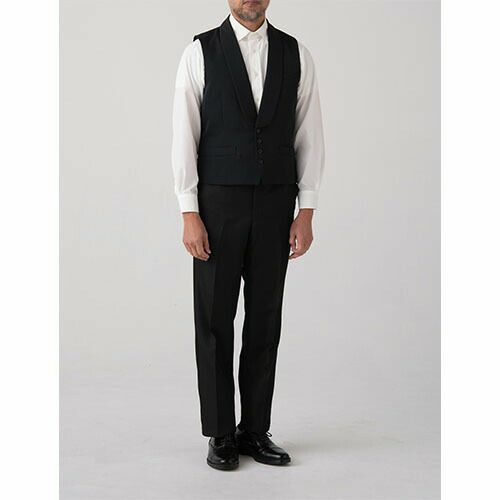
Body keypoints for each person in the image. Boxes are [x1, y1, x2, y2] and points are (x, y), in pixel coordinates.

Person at [172, 0, 325, 470]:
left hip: (276, 205)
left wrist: (306, 210)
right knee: (214, 321)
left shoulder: (296, 54)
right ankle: (221, 432)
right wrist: (189, 211)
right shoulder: (200, 52)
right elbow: (184, 133)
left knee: (264, 321)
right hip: (217, 206)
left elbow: (309, 133)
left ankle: (255, 429)